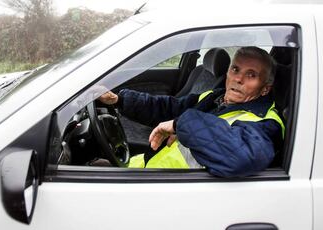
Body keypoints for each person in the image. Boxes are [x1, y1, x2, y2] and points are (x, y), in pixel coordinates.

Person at [99, 46, 285, 178]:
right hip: (149, 169)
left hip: (176, 190)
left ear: (265, 89)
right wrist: (119, 100)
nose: (238, 79)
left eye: (251, 75)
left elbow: (240, 157)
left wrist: (179, 125)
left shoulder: (266, 123)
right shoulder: (215, 97)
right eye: (235, 69)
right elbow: (169, 108)